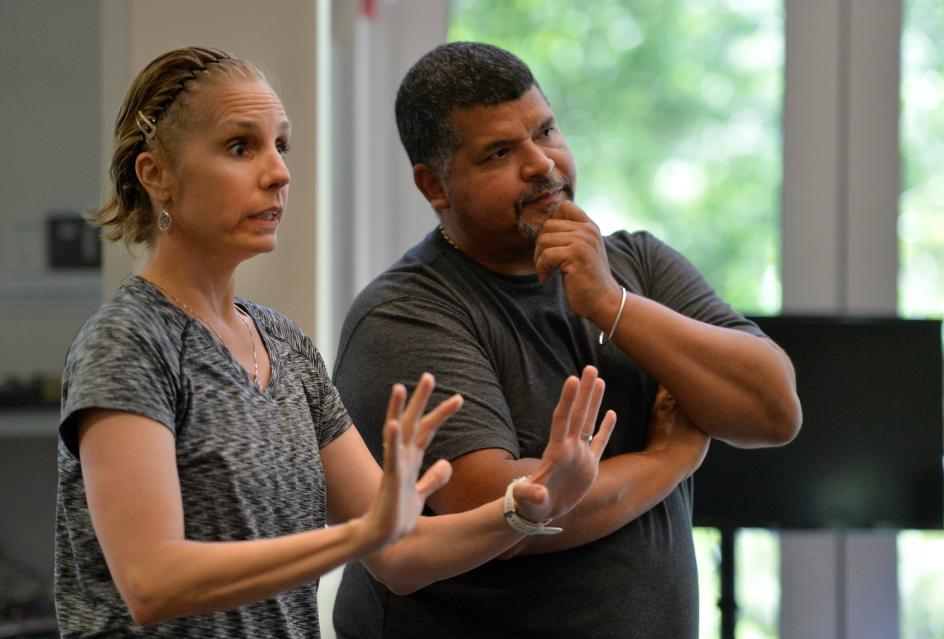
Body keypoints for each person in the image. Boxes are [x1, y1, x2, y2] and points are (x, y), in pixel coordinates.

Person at [54, 46, 620, 639]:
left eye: (281, 146)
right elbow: (152, 581)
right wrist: (360, 535)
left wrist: (528, 506)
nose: (278, 172)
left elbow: (400, 554)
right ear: (156, 176)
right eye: (241, 147)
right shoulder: (129, 339)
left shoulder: (285, 346)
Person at [332, 42, 803, 638]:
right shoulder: (405, 313)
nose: (542, 164)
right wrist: (668, 461)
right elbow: (502, 513)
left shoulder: (637, 264)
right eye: (500, 152)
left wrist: (612, 304)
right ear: (436, 185)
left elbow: (773, 409)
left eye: (546, 131)